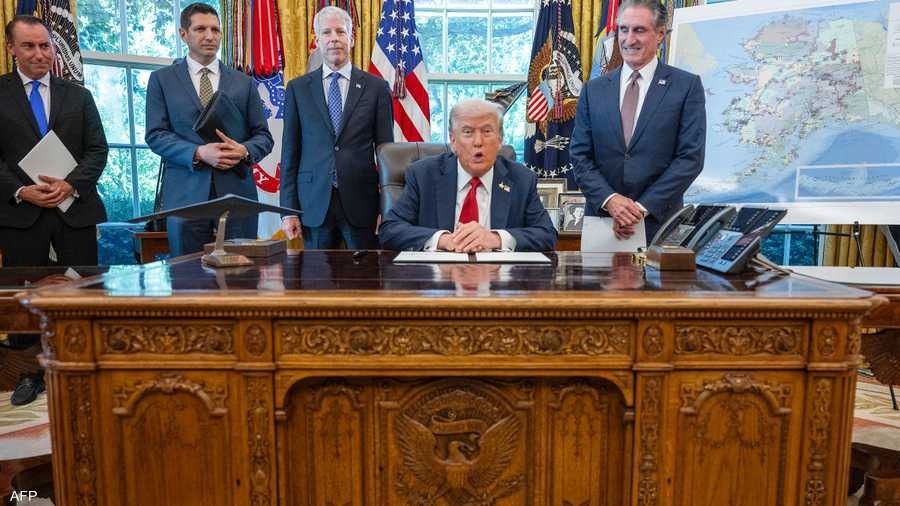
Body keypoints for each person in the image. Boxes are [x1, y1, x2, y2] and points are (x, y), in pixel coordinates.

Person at [570, 0, 705, 243]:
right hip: (602, 222)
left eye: (639, 30)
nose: (629, 39)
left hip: (659, 225)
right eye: (624, 29)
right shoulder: (593, 90)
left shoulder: (686, 86)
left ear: (660, 34)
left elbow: (690, 158)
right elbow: (580, 155)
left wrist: (640, 209)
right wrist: (611, 201)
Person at [146, 3, 273, 256]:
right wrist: (199, 153)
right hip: (185, 196)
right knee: (188, 275)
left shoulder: (244, 83)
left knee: (241, 273)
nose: (210, 36)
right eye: (200, 29)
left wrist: (244, 150)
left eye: (215, 30)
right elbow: (156, 134)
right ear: (183, 34)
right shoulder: (162, 80)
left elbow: (264, 137)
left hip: (238, 194)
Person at [279, 6, 393, 250]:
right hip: (313, 203)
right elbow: (290, 152)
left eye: (341, 32)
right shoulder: (298, 89)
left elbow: (386, 154)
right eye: (326, 32)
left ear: (351, 39)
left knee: (365, 273)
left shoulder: (377, 88)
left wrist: (388, 208)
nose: (334, 38)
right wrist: (288, 210)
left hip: (363, 204)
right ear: (317, 40)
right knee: (315, 274)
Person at [0, 15, 108, 267]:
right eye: (29, 46)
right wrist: (21, 191)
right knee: (24, 289)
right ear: (11, 48)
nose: (39, 54)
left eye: (45, 46)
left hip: (76, 213)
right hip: (19, 216)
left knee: (82, 287)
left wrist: (71, 184)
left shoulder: (80, 96)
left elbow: (98, 150)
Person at [379, 99, 557, 252]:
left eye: (487, 131)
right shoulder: (423, 175)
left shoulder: (522, 179)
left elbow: (546, 234)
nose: (478, 142)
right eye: (468, 132)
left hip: (499, 277)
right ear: (453, 140)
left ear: (500, 140)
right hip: (438, 277)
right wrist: (443, 240)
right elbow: (390, 230)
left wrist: (495, 238)